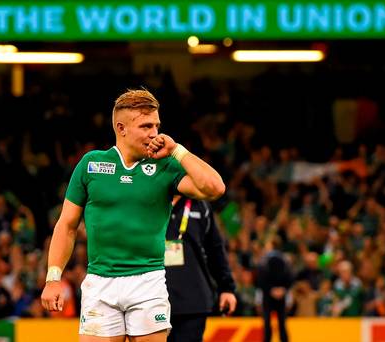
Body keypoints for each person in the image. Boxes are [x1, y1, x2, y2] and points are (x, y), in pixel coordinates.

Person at [40, 89, 226, 342]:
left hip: (148, 281)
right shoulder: (91, 164)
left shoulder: (166, 166)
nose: (154, 133)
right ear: (121, 128)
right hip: (100, 282)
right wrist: (53, 278)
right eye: (146, 126)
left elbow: (215, 188)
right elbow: (66, 226)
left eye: (156, 125)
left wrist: (177, 150)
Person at [165, 195, 237, 342]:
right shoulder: (148, 199)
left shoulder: (201, 206)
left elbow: (215, 249)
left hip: (192, 303)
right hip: (150, 299)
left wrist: (227, 288)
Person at [256, 244, 293, 342]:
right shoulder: (266, 263)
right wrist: (278, 290)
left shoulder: (266, 262)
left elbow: (260, 281)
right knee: (272, 323)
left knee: (279, 323)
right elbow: (260, 281)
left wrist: (281, 290)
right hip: (270, 296)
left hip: (274, 297)